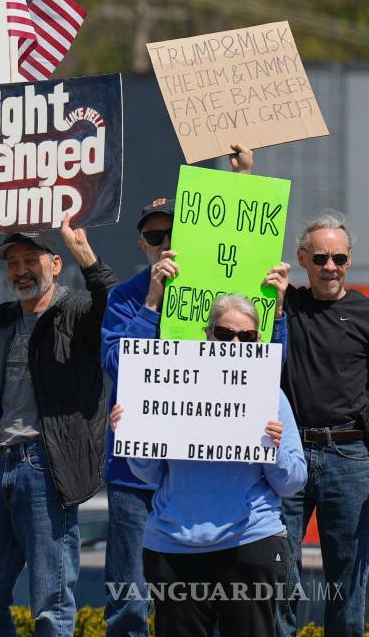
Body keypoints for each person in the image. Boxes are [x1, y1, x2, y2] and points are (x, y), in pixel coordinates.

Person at [98, 145, 274, 636]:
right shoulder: (127, 297)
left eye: (174, 233)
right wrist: (153, 302)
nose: (164, 243)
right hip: (138, 473)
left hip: (208, 473)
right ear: (142, 245)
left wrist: (242, 178)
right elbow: (117, 365)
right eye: (154, 237)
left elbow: (265, 362)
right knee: (130, 602)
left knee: (209, 610)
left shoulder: (223, 290)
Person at [0, 215, 115, 637]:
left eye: (31, 259)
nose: (21, 270)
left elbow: (115, 308)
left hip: (45, 467)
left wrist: (84, 253)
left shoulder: (78, 313)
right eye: (12, 263)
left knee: (50, 603)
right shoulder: (2, 321)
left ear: (54, 264)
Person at [108, 294, 307, 636]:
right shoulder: (171, 389)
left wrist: (273, 450)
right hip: (174, 545)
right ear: (208, 334)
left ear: (257, 341)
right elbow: (150, 474)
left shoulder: (272, 397)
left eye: (244, 337)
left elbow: (293, 482)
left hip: (249, 543)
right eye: (224, 333)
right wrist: (133, 434)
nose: (233, 343)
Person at [278, 212, 369, 637]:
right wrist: (243, 174)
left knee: (349, 580)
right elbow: (243, 247)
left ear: (349, 259)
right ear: (301, 259)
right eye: (318, 258)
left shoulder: (366, 313)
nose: (329, 267)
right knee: (278, 575)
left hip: (349, 457)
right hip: (286, 453)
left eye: (338, 257)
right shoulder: (285, 304)